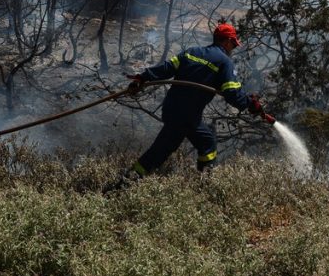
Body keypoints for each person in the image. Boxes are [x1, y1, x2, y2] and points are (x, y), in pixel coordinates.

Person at [106, 23, 265, 191]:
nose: (233, 48)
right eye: (233, 44)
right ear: (227, 41)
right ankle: (121, 188)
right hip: (187, 116)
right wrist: (249, 104)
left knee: (201, 143)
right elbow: (232, 93)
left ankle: (203, 184)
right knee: (165, 152)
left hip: (172, 110)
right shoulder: (224, 62)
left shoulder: (192, 52)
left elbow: (166, 68)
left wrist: (142, 78)